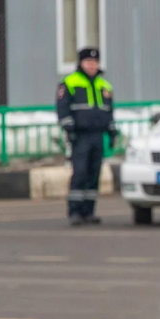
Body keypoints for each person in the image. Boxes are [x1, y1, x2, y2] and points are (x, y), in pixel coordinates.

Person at [56, 48, 118, 226]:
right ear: (81, 63)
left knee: (94, 174)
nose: (92, 65)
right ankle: (75, 212)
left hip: (98, 135)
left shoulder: (104, 86)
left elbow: (109, 112)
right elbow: (63, 108)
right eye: (88, 62)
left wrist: (112, 131)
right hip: (80, 136)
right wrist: (69, 128)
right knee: (80, 173)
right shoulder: (69, 82)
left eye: (95, 62)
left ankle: (89, 212)